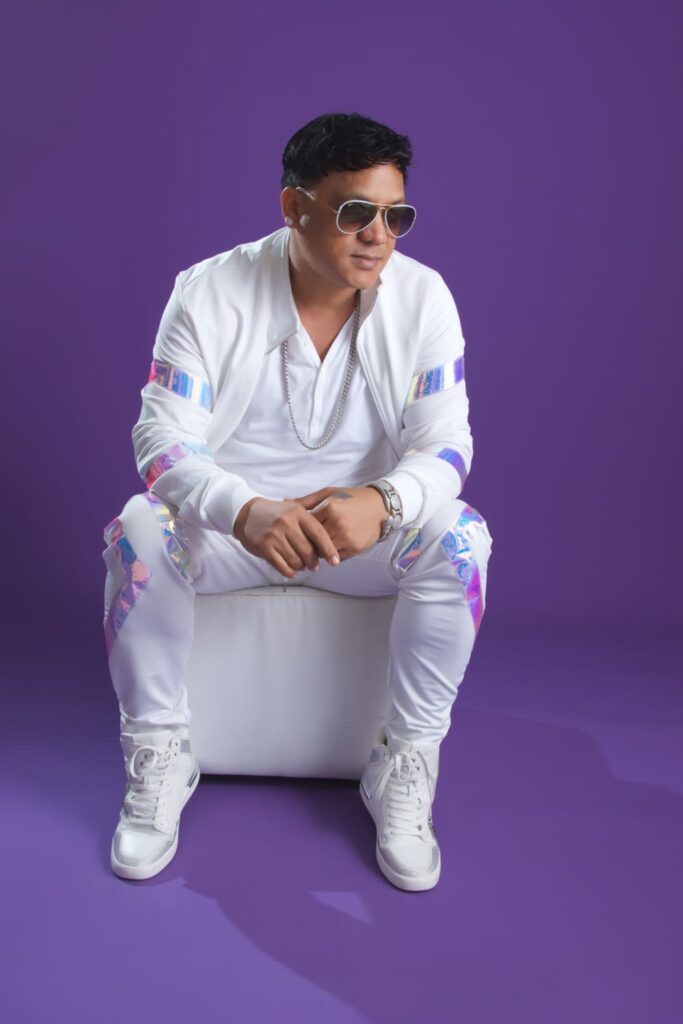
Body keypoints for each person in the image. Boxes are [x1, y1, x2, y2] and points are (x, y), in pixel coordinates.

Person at [102, 111, 494, 892]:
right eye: (355, 211)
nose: (377, 236)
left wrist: (381, 502)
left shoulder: (423, 298)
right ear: (294, 206)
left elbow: (449, 447)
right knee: (138, 530)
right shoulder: (208, 290)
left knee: (460, 537)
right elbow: (161, 438)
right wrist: (242, 509)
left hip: (360, 542)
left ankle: (405, 764)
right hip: (232, 534)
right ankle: (160, 754)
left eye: (395, 216)